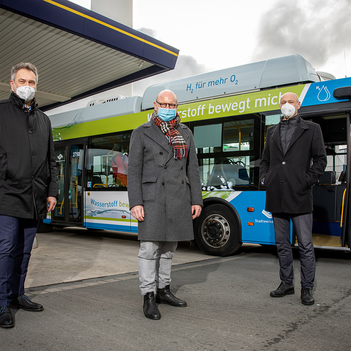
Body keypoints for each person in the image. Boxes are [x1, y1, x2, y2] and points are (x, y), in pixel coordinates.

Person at [128, 89, 203, 320]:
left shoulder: (185, 132)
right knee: (149, 249)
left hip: (178, 196)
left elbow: (193, 168)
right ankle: (148, 295)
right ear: (155, 105)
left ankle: (163, 289)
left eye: (173, 105)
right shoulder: (141, 132)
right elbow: (134, 170)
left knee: (170, 249)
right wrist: (136, 202)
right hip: (152, 198)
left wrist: (196, 199)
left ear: (177, 107)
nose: (169, 109)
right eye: (165, 104)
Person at [0, 63, 58, 328]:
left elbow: (51, 161)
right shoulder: (1, 113)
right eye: (21, 81)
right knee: (6, 251)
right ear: (11, 84)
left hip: (35, 198)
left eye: (31, 82)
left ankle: (17, 294)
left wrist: (52, 192)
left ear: (36, 86)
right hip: (7, 196)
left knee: (24, 253)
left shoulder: (44, 119)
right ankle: (1, 303)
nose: (26, 85)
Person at [259, 92, 327, 305]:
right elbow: (265, 161)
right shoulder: (272, 131)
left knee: (305, 245)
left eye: (290, 102)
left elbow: (320, 160)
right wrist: (265, 179)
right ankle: (286, 282)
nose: (286, 105)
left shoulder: (312, 129)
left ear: (298, 105)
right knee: (282, 243)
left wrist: (307, 180)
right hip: (276, 195)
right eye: (283, 102)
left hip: (300, 196)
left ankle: (307, 288)